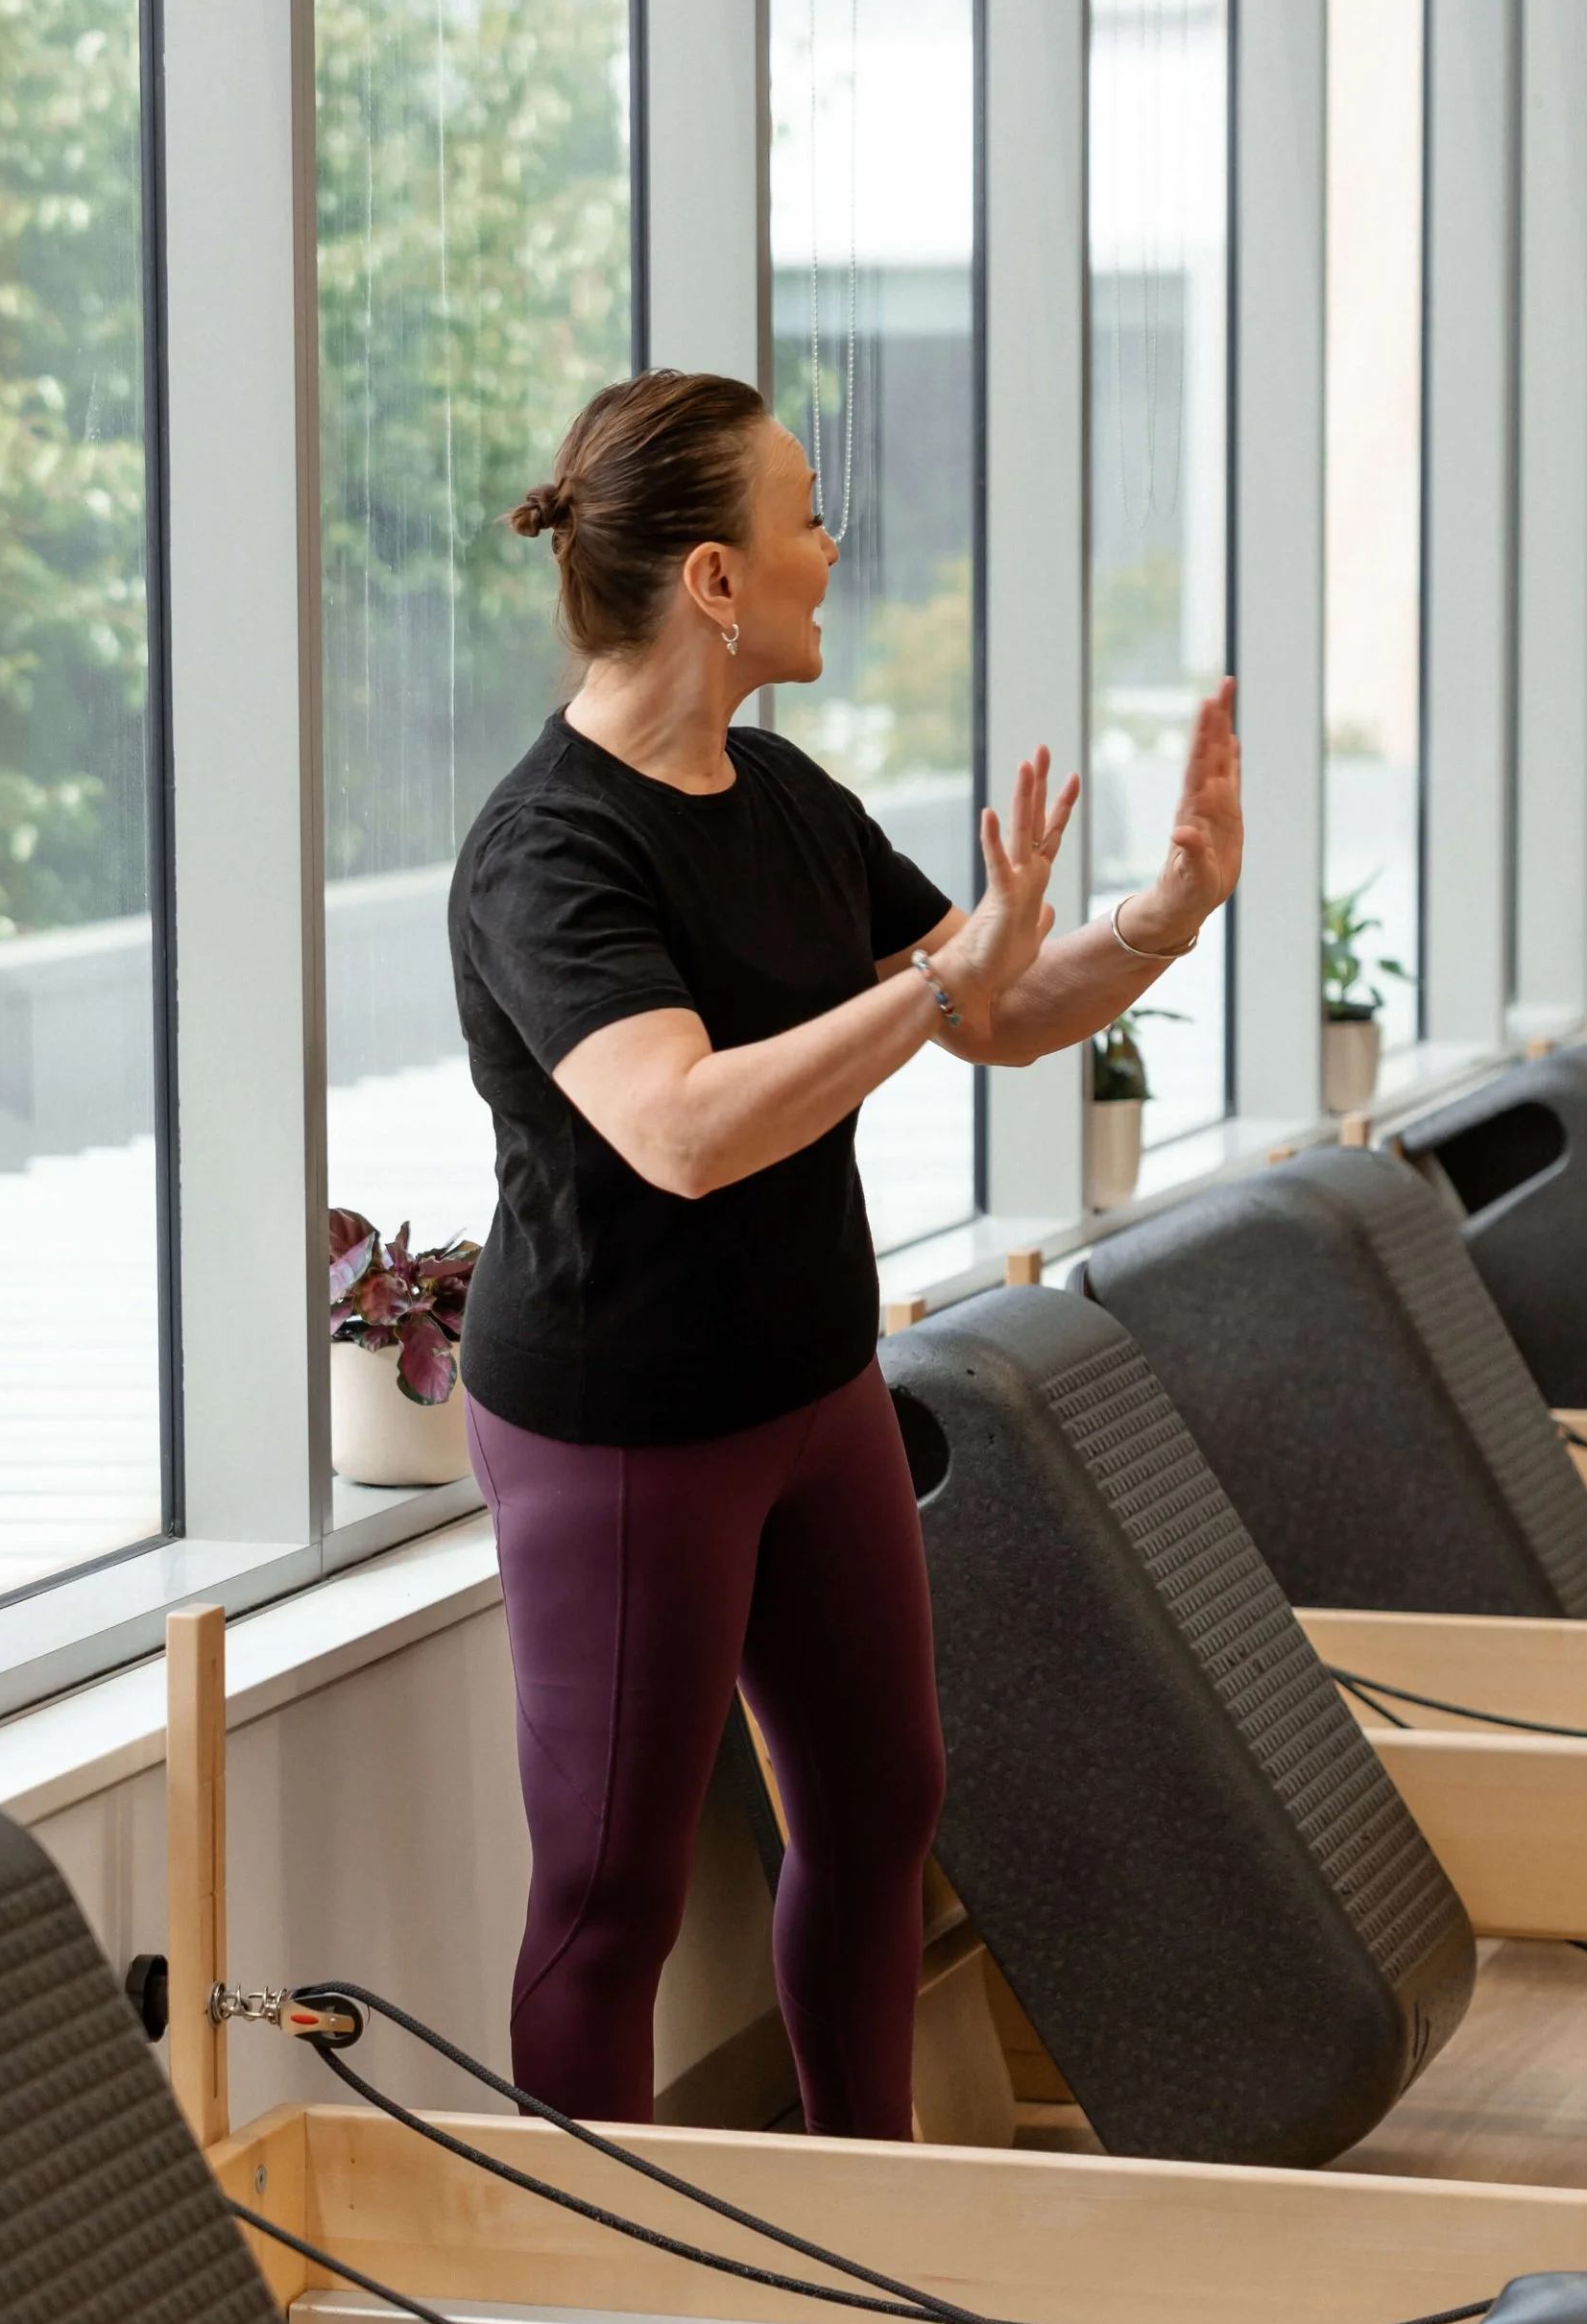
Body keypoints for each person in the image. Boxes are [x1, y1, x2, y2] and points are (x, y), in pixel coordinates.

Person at [447, 366, 1243, 2138]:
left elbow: (996, 1004)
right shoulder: (546, 848)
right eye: (806, 510)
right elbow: (681, 1124)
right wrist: (931, 991)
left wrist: (1161, 913)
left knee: (882, 1806)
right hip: (625, 1427)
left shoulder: (787, 797)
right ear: (715, 578)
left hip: (812, 1390)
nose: (833, 544)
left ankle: (865, 2221)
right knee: (613, 1899)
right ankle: (593, 2318)